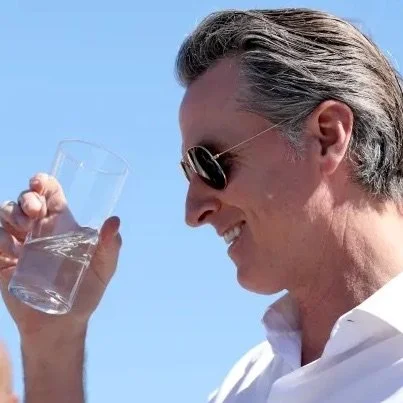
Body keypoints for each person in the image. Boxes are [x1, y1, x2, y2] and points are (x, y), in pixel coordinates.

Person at [1, 7, 403, 403]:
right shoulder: (246, 384)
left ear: (328, 136)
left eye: (209, 163)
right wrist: (53, 341)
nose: (192, 212)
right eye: (187, 172)